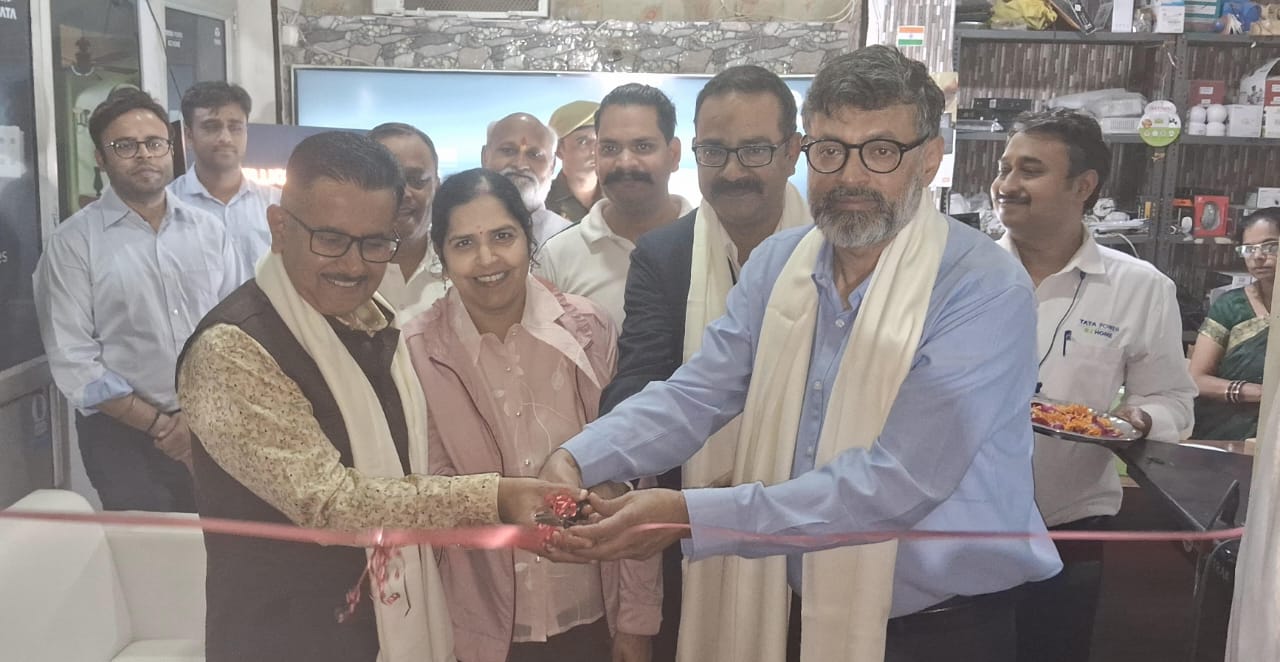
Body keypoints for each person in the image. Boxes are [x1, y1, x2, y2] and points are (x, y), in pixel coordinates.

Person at [540, 46, 1061, 662]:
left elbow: (897, 483)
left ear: (928, 160)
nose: (850, 177)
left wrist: (688, 516)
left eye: (881, 151)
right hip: (794, 608)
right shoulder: (779, 264)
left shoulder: (982, 289)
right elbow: (697, 393)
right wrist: (576, 457)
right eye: (831, 150)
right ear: (806, 151)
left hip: (942, 629)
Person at [177, 132, 576, 662]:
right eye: (330, 239)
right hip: (285, 637)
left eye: (373, 243)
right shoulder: (233, 348)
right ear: (279, 228)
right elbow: (329, 504)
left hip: (382, 627)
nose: (353, 265)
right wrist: (494, 497)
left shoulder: (377, 323)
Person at [598, 64, 811, 662]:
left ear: (793, 151)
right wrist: (607, 465)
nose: (733, 170)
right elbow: (640, 375)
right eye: (714, 151)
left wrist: (756, 476)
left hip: (810, 530)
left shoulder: (838, 248)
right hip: (686, 528)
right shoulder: (664, 254)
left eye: (755, 150)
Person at [403, 168, 661, 662]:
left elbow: (633, 472)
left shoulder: (588, 329)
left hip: (591, 610)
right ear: (441, 255)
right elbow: (422, 491)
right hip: (473, 628)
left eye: (503, 236)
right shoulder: (416, 351)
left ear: (529, 238)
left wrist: (636, 620)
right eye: (464, 243)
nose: (487, 259)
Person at [991, 109, 1196, 662]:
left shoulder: (1139, 288)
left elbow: (1174, 400)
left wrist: (1139, 420)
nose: (1006, 184)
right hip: (959, 522)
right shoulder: (963, 273)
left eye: (1030, 170)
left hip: (1070, 528)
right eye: (1005, 167)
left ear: (1083, 186)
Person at [33, 87, 240, 512]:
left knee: (220, 541)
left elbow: (236, 329)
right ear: (101, 158)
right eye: (125, 146)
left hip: (211, 423)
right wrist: (163, 425)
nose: (144, 155)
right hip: (121, 438)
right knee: (146, 545)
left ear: (171, 149)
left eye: (154, 143)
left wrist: (196, 419)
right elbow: (74, 360)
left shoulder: (209, 230)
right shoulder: (73, 243)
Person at [536, 84, 693, 327]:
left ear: (673, 155)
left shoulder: (710, 241)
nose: (625, 162)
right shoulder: (557, 256)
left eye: (643, 147)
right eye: (610, 148)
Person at [169, 81, 280, 276]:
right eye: (211, 127)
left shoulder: (277, 204)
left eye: (235, 127)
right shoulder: (169, 205)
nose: (225, 138)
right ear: (189, 136)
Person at [1190, 207, 1280, 440]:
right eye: (1249, 249)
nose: (1258, 256)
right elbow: (1196, 379)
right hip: (1227, 433)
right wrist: (1256, 393)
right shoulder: (1230, 306)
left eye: (1270, 246)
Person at [370, 122, 447, 320]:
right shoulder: (338, 271)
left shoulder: (463, 270)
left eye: (416, 180)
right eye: (387, 179)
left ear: (436, 187)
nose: (403, 192)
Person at [481, 113, 572, 249]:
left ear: (552, 166)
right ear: (485, 157)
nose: (520, 165)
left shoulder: (571, 240)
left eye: (534, 154)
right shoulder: (455, 228)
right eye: (508, 150)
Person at [545, 100, 603, 223]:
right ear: (559, 150)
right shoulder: (542, 201)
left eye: (600, 140)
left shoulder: (621, 195)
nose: (595, 150)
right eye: (583, 141)